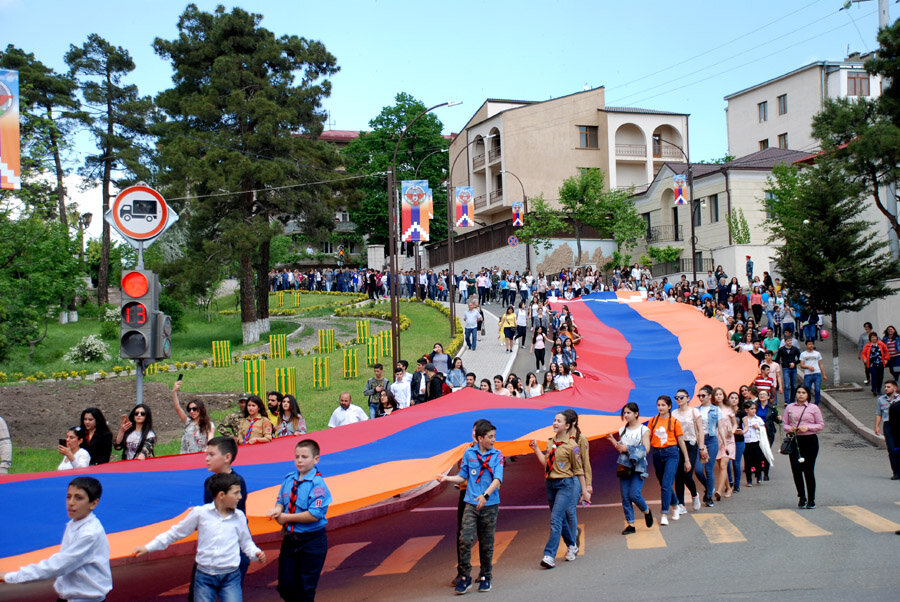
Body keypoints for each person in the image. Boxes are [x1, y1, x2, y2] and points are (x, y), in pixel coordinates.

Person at [135, 472, 266, 600]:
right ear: (221, 495)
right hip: (205, 576)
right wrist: (149, 548)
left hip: (231, 576)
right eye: (236, 493)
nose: (240, 497)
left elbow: (246, 542)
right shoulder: (200, 514)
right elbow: (175, 533)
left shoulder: (239, 516)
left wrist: (255, 553)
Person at [1, 477, 111, 600]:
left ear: (93, 503)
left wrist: (13, 576)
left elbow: (58, 565)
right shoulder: (75, 523)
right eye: (68, 497)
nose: (71, 502)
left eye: (78, 498)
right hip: (70, 595)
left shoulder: (89, 534)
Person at [437, 419, 503, 594]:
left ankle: (485, 576)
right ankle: (465, 576)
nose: (493, 440)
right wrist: (447, 478)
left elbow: (497, 479)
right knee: (465, 539)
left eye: (494, 436)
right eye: (490, 437)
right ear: (480, 438)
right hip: (471, 504)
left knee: (486, 542)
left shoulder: (497, 455)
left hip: (490, 505)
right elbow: (462, 476)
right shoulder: (468, 454)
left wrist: (486, 495)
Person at [267, 439, 332, 601]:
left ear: (316, 459)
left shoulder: (317, 485)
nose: (300, 460)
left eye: (304, 457)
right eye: (297, 457)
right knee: (285, 586)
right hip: (290, 539)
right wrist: (277, 510)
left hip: (311, 541)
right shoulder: (289, 479)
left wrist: (286, 518)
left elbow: (314, 514)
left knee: (305, 589)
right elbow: (281, 499)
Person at [529, 411, 585, 568]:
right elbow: (546, 464)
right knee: (560, 519)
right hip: (550, 484)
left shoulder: (572, 446)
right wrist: (536, 450)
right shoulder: (550, 442)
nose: (555, 423)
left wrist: (585, 489)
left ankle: (549, 555)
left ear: (567, 426)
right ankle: (572, 545)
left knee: (555, 520)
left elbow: (579, 469)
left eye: (559, 421)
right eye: (554, 420)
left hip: (565, 485)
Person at [607, 402, 653, 534]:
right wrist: (613, 441)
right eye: (624, 413)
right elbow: (620, 448)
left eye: (628, 413)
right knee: (625, 496)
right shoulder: (623, 430)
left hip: (638, 466)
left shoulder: (644, 430)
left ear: (636, 414)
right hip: (625, 465)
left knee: (634, 494)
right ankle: (631, 524)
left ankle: (646, 511)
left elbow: (646, 449)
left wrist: (628, 448)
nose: (626, 415)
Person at [648, 395, 692, 524]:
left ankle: (664, 514)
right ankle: (676, 504)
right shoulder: (653, 421)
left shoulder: (674, 422)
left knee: (666, 484)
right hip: (657, 453)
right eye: (658, 405)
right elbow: (647, 438)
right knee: (663, 484)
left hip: (672, 453)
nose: (660, 407)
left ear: (669, 407)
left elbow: (680, 441)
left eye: (663, 405)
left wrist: (687, 459)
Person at [783, 385, 825, 508]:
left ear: (807, 395)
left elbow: (821, 425)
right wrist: (790, 428)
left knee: (808, 470)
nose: (800, 394)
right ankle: (801, 496)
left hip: (810, 440)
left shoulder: (813, 408)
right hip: (795, 440)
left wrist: (809, 427)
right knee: (796, 469)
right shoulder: (790, 407)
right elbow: (785, 424)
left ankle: (811, 499)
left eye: (803, 392)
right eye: (798, 392)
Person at [672, 389, 702, 513]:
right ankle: (681, 504)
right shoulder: (674, 413)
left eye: (681, 397)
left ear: (688, 398)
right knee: (678, 475)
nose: (679, 399)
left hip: (691, 444)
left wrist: (702, 447)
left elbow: (700, 430)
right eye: (677, 397)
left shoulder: (694, 411)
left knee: (687, 474)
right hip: (678, 445)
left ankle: (695, 495)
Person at [694, 386, 720, 507]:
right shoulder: (695, 410)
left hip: (712, 439)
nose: (701, 398)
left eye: (703, 395)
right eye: (699, 396)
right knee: (698, 470)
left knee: (709, 469)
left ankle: (709, 496)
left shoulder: (716, 409)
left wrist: (725, 441)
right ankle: (709, 487)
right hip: (699, 439)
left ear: (710, 396)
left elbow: (720, 426)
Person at [173, 380, 215, 453]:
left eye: (194, 409)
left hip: (200, 456)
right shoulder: (187, 422)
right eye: (189, 409)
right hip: (186, 456)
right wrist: (174, 392)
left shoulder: (209, 425)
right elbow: (177, 408)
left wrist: (207, 449)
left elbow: (210, 440)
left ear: (200, 409)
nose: (192, 411)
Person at [874, 380, 900, 480]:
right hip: (888, 425)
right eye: (885, 387)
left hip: (898, 425)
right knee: (892, 449)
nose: (886, 389)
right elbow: (879, 413)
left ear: (895, 388)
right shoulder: (881, 400)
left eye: (888, 387)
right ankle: (896, 472)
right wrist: (877, 426)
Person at [742, 401, 766, 486]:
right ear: (746, 410)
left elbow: (763, 429)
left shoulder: (758, 419)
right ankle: (749, 480)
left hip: (756, 442)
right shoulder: (744, 419)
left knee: (757, 459)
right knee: (747, 461)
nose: (753, 410)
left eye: (754, 408)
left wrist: (758, 427)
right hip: (747, 442)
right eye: (751, 409)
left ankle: (758, 475)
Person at [776, 331, 801, 406]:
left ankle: (792, 400)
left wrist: (795, 363)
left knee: (793, 385)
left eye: (791, 341)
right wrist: (781, 365)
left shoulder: (795, 349)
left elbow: (800, 358)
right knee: (786, 385)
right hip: (785, 368)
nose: (790, 342)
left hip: (793, 368)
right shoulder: (781, 350)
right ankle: (787, 401)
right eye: (788, 341)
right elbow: (777, 359)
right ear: (785, 341)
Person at [799, 339, 827, 405]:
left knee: (817, 389)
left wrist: (824, 374)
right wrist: (808, 367)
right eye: (809, 344)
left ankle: (816, 404)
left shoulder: (817, 353)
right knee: (807, 390)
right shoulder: (803, 354)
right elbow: (801, 365)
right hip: (808, 374)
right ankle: (807, 403)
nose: (811, 345)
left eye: (812, 344)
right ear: (806, 345)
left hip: (817, 373)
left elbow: (821, 364)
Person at [862, 332, 890, 397]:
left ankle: (879, 389)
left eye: (875, 337)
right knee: (874, 376)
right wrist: (865, 359)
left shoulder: (881, 344)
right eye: (872, 337)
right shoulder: (868, 345)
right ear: (870, 338)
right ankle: (874, 389)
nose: (874, 338)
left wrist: (886, 359)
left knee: (880, 377)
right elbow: (863, 353)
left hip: (880, 363)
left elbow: (886, 351)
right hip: (872, 363)